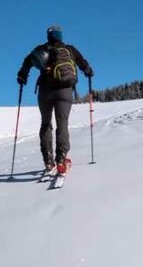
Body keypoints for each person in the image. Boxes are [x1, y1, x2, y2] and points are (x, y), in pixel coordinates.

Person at [17, 26, 93, 176]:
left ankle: (48, 160)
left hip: (45, 91)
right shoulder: (70, 49)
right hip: (64, 91)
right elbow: (83, 63)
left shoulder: (40, 50)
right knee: (62, 124)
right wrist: (88, 71)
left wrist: (22, 75)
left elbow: (27, 62)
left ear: (48, 36)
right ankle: (61, 159)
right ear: (60, 36)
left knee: (46, 124)